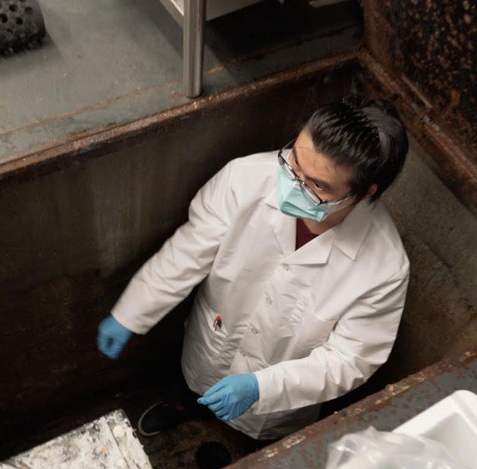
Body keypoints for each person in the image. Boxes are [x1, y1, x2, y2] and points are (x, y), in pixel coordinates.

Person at [97, 94, 410, 441]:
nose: (293, 187)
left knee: (259, 440)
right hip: (214, 342)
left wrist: (262, 388)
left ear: (366, 192)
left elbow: (351, 358)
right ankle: (186, 407)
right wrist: (133, 308)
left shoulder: (384, 267)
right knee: (197, 387)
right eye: (293, 164)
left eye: (317, 186)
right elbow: (188, 253)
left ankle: (245, 448)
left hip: (279, 396)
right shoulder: (245, 178)